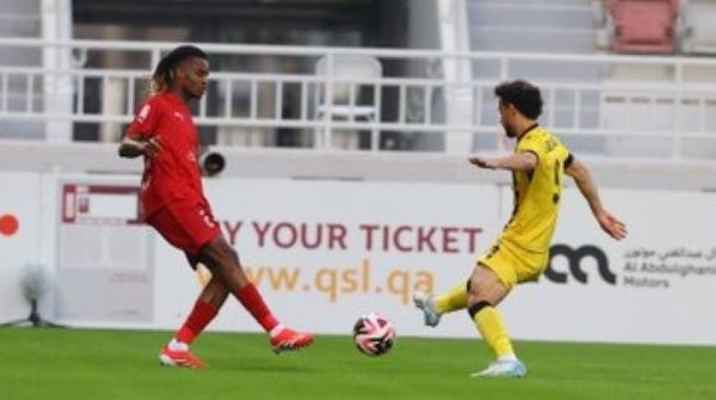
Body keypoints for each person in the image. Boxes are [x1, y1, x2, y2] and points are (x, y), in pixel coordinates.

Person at [413, 80, 627, 378]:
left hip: (520, 243)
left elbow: (528, 161)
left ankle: (506, 359)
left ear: (511, 109)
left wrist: (495, 163)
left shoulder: (532, 145)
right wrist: (599, 213)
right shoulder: (552, 141)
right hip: (534, 247)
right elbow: (580, 171)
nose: (499, 117)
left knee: (480, 296)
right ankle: (437, 306)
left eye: (500, 110)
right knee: (480, 287)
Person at [118, 45, 313, 369]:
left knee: (225, 271)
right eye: (200, 73)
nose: (205, 80)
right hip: (169, 197)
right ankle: (276, 330)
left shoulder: (184, 115)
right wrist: (142, 146)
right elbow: (125, 145)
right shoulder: (158, 105)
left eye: (207, 74)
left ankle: (179, 346)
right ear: (179, 73)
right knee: (227, 258)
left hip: (190, 198)